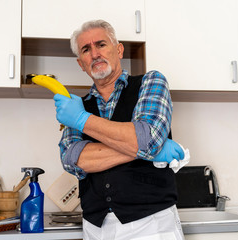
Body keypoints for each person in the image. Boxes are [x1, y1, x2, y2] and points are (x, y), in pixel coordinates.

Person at [54, 19, 185, 240]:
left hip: (151, 224)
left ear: (119, 49)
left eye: (101, 44)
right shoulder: (77, 105)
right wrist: (146, 149)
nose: (95, 54)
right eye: (86, 49)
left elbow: (147, 139)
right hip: (96, 228)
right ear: (81, 63)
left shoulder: (150, 82)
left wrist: (81, 120)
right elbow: (73, 160)